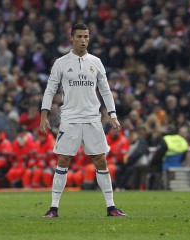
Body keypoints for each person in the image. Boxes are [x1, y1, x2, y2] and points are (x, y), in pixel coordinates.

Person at [40, 23, 126, 218]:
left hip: (92, 119)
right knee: (63, 160)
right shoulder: (61, 62)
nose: (83, 40)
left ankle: (111, 207)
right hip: (69, 118)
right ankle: (53, 208)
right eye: (79, 36)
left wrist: (113, 115)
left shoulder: (96, 62)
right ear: (71, 38)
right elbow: (50, 90)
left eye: (86, 37)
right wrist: (44, 116)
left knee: (100, 160)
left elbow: (105, 90)